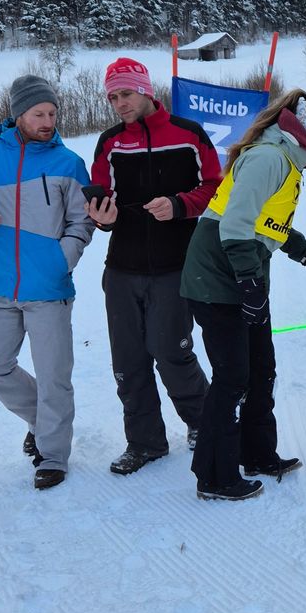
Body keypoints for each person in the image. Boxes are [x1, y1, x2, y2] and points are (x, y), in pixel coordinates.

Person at [181, 89, 306, 501]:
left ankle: (256, 453)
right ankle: (214, 475)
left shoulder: (286, 162)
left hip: (241, 276)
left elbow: (269, 224)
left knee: (261, 369)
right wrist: (249, 282)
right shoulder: (268, 158)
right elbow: (235, 225)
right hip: (216, 278)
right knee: (232, 376)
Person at [0, 75, 95, 490]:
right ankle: (41, 421)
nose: (48, 121)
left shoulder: (68, 163)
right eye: (39, 114)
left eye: (52, 113)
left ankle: (53, 455)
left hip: (49, 290)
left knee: (54, 376)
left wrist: (61, 261)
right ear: (18, 115)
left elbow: (82, 222)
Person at [87, 57, 220, 475]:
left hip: (175, 265)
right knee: (127, 362)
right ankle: (144, 443)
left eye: (126, 94)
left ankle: (204, 424)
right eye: (112, 98)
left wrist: (180, 204)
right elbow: (101, 197)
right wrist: (102, 217)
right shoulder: (110, 142)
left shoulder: (188, 134)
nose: (119, 104)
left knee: (172, 352)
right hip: (121, 268)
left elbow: (216, 187)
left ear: (145, 90)